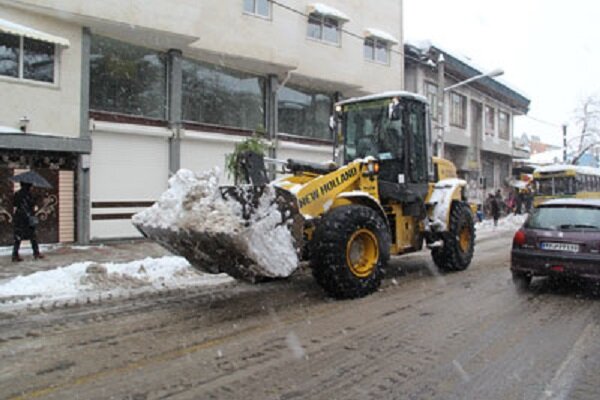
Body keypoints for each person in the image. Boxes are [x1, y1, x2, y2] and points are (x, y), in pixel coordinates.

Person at [12, 182, 44, 262]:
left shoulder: (17, 194)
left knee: (18, 237)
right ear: (28, 186)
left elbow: (15, 204)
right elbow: (32, 204)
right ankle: (36, 253)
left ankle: (15, 255)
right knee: (33, 236)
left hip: (19, 217)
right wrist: (36, 199)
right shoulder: (30, 195)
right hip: (28, 217)